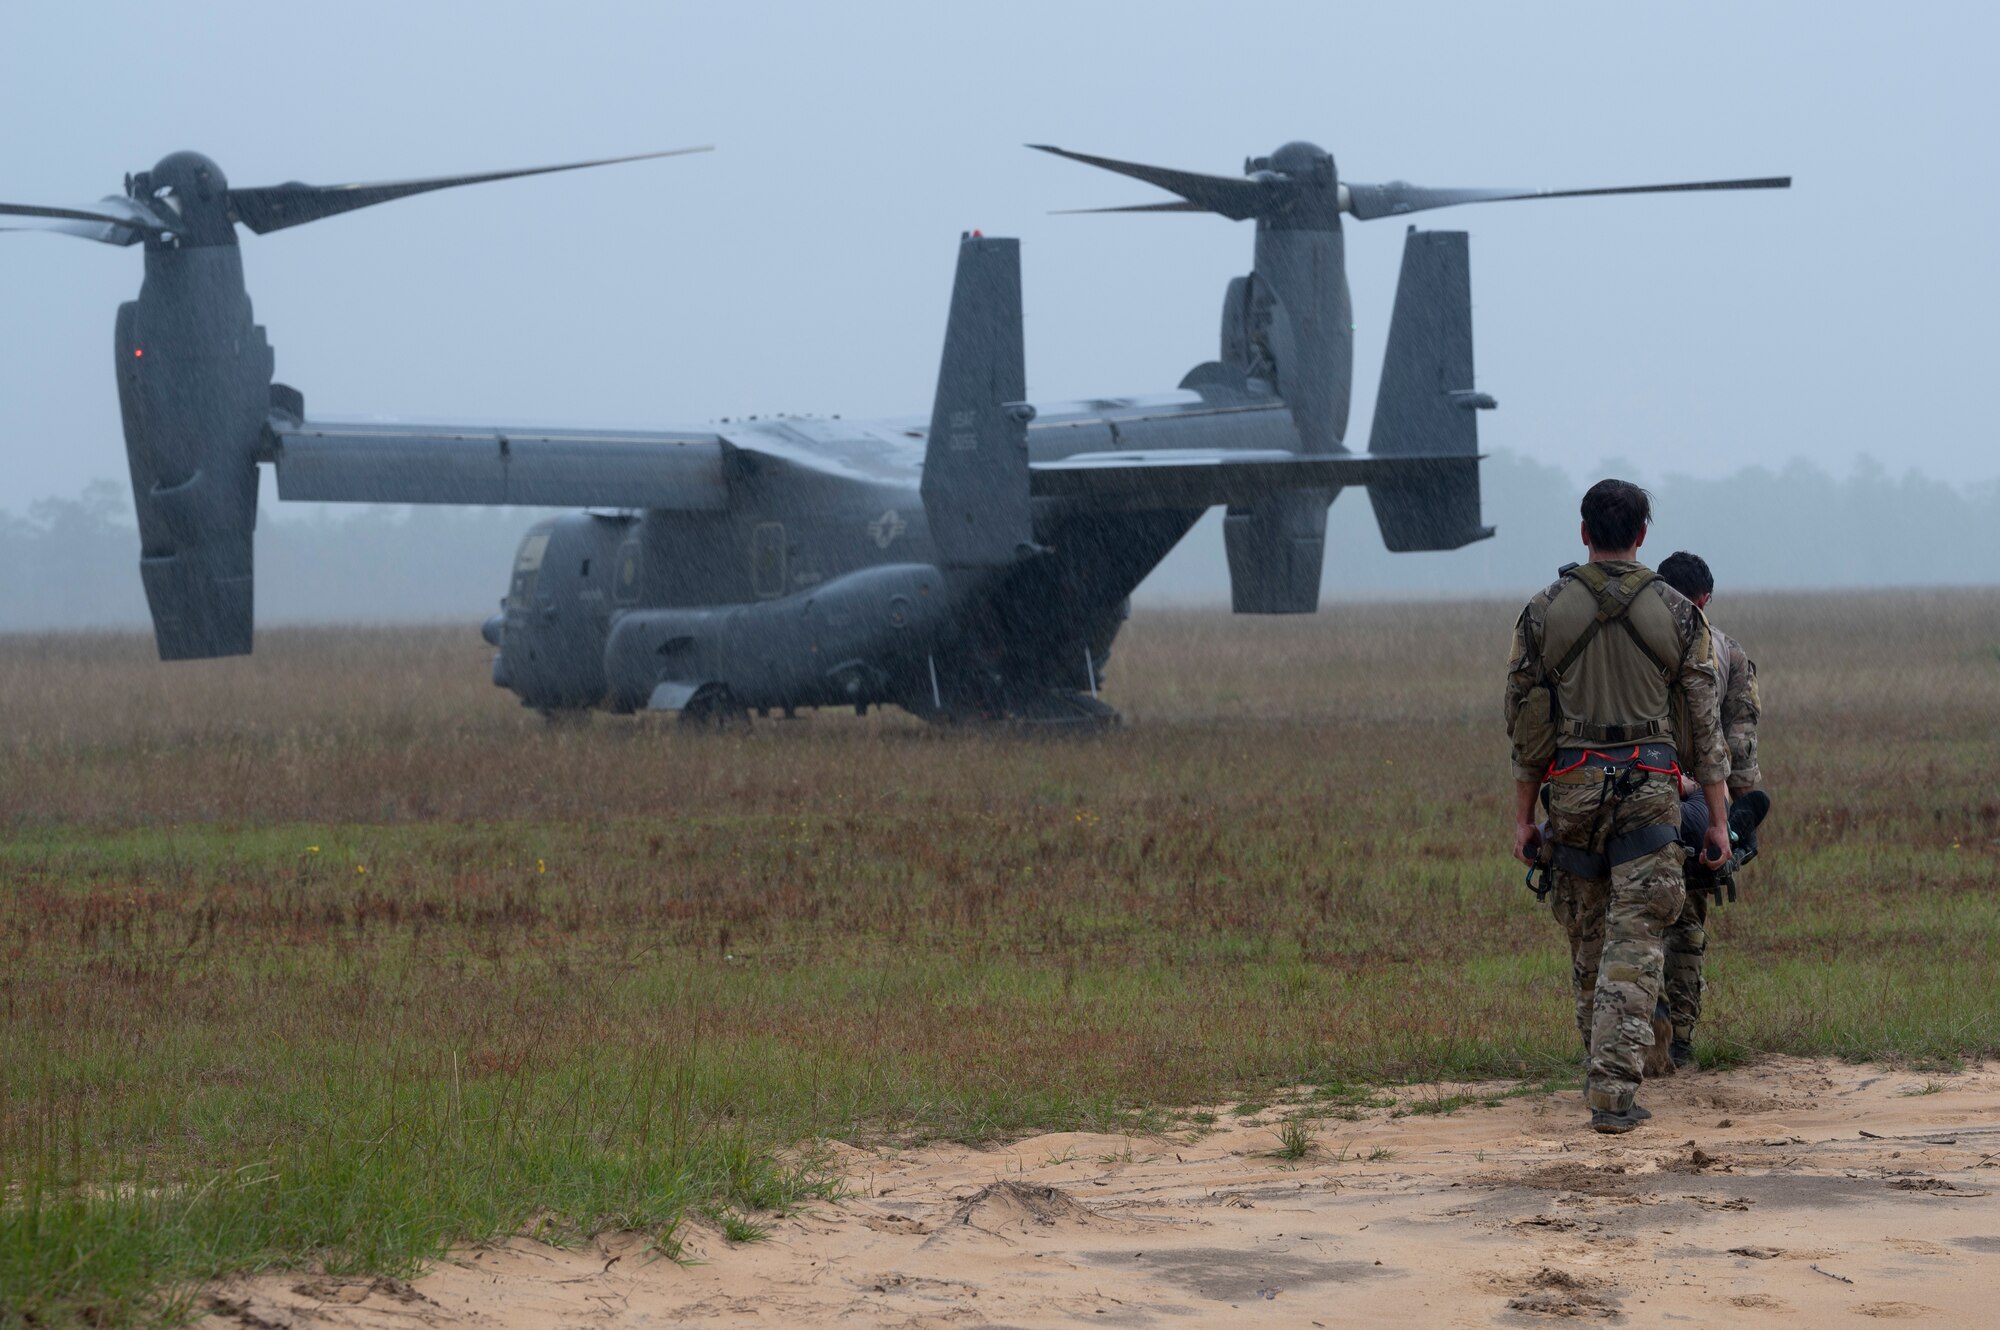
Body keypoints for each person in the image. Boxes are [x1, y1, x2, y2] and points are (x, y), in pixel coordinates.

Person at [1506, 479, 1731, 1134]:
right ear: (1641, 536)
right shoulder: (1681, 615)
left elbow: (1527, 729)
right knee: (1635, 940)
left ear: (1584, 534)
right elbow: (1702, 730)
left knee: (1588, 934)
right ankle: (1612, 1094)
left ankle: (1599, 1068)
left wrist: (1523, 817)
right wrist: (1717, 820)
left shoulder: (1543, 612)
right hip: (1649, 795)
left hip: (1572, 791)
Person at [1656, 551, 1763, 1069]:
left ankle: (1639, 1022)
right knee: (1687, 918)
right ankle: (1679, 1038)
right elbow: (1737, 744)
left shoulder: (1635, 644)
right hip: (1700, 802)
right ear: (1704, 601)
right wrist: (1737, 820)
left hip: (1634, 794)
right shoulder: (1726, 653)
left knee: (1630, 916)